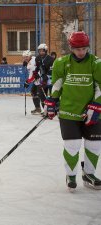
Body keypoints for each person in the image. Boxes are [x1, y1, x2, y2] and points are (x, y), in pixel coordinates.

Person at [44, 31, 101, 191]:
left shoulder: (96, 63)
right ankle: (71, 174)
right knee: (72, 144)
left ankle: (89, 174)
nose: (81, 52)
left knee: (95, 144)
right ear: (71, 48)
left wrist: (96, 105)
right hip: (69, 111)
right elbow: (57, 85)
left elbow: (100, 86)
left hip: (92, 111)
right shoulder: (61, 63)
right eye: (77, 49)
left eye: (84, 49)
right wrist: (52, 100)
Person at [22, 50, 42, 115]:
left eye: (27, 57)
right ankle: (38, 108)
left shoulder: (32, 62)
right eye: (24, 57)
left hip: (40, 80)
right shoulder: (31, 60)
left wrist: (28, 82)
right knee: (33, 91)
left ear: (30, 56)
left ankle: (46, 109)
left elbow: (34, 75)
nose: (25, 58)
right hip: (37, 80)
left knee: (40, 94)